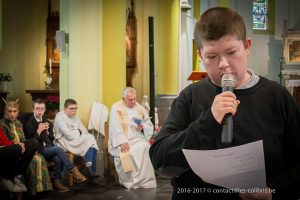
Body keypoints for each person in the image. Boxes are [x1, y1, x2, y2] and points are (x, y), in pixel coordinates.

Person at [149, 7, 300, 200]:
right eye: (211, 56)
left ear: (247, 46)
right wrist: (208, 122)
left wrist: (273, 191)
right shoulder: (190, 97)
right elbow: (159, 158)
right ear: (200, 55)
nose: (223, 64)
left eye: (231, 52)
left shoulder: (277, 97)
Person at [23, 98, 87, 192]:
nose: (40, 111)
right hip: (38, 150)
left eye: (42, 108)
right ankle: (73, 170)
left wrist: (48, 133)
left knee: (57, 158)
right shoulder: (29, 123)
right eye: (37, 108)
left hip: (48, 148)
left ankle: (56, 182)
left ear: (44, 110)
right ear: (33, 109)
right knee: (58, 149)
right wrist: (38, 131)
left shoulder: (45, 119)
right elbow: (30, 142)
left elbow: (52, 136)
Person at [0, 100, 52, 195]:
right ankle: (13, 176)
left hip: (21, 148)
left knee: (34, 143)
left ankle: (19, 176)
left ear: (18, 112)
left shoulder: (19, 123)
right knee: (21, 150)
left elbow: (24, 139)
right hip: (10, 151)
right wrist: (18, 144)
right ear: (5, 112)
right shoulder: (2, 123)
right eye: (9, 111)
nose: (12, 114)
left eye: (14, 111)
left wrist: (23, 144)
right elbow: (4, 143)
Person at [108, 87, 156, 189]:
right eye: (130, 100)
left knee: (145, 147)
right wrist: (122, 142)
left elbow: (148, 124)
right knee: (129, 152)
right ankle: (131, 181)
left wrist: (143, 127)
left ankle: (146, 180)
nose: (133, 101)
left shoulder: (140, 108)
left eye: (134, 99)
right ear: (124, 98)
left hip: (138, 138)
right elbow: (114, 127)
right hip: (123, 140)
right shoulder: (116, 108)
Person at [53, 98, 105, 186]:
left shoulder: (75, 117)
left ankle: (89, 168)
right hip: (64, 142)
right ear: (65, 109)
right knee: (90, 140)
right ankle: (90, 171)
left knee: (91, 140)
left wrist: (83, 135)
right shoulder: (60, 118)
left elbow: (83, 129)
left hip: (75, 140)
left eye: (75, 108)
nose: (74, 111)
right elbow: (68, 135)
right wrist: (79, 135)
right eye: (71, 108)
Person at [0, 127, 25, 193]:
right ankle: (6, 178)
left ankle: (15, 175)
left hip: (4, 147)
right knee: (17, 148)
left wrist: (15, 143)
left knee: (32, 144)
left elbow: (4, 141)